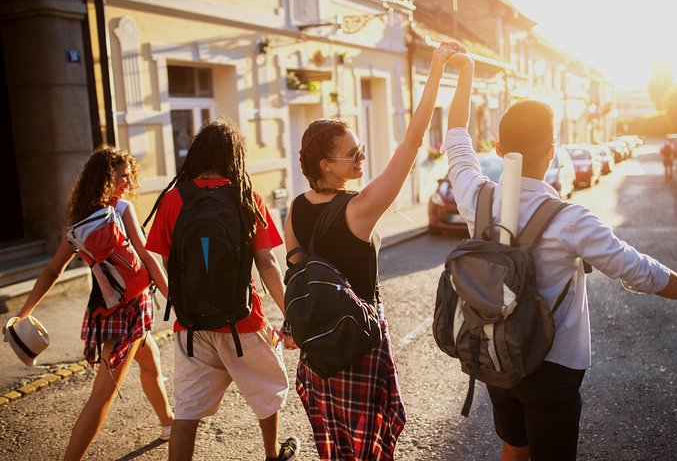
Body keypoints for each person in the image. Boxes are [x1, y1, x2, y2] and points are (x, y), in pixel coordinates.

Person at [440, 49, 677, 461]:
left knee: (514, 447)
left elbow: (456, 137)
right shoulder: (570, 220)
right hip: (552, 365)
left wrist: (464, 71)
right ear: (552, 150)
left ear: (498, 149)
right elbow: (639, 271)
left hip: (492, 352)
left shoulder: (474, 195)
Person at [282, 41, 461, 460]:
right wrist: (435, 69)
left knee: (336, 450)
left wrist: (298, 329)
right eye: (353, 155)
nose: (362, 159)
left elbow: (296, 277)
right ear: (326, 165)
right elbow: (413, 142)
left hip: (318, 352)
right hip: (359, 343)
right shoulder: (358, 210)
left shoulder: (293, 210)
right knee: (369, 450)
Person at [4, 146, 174, 460]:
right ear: (104, 178)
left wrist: (23, 313)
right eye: (120, 175)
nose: (127, 181)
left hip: (107, 310)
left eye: (128, 174)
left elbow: (53, 269)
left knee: (150, 362)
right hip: (130, 311)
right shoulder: (121, 210)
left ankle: (168, 425)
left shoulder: (76, 222)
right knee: (102, 397)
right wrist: (174, 300)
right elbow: (147, 255)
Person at [145, 121, 299, 461]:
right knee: (267, 394)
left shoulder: (173, 200)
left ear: (197, 154)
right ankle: (272, 454)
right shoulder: (246, 197)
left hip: (191, 327)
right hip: (243, 319)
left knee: (186, 414)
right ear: (235, 157)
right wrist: (292, 313)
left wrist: (189, 304)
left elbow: (169, 261)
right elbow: (267, 263)